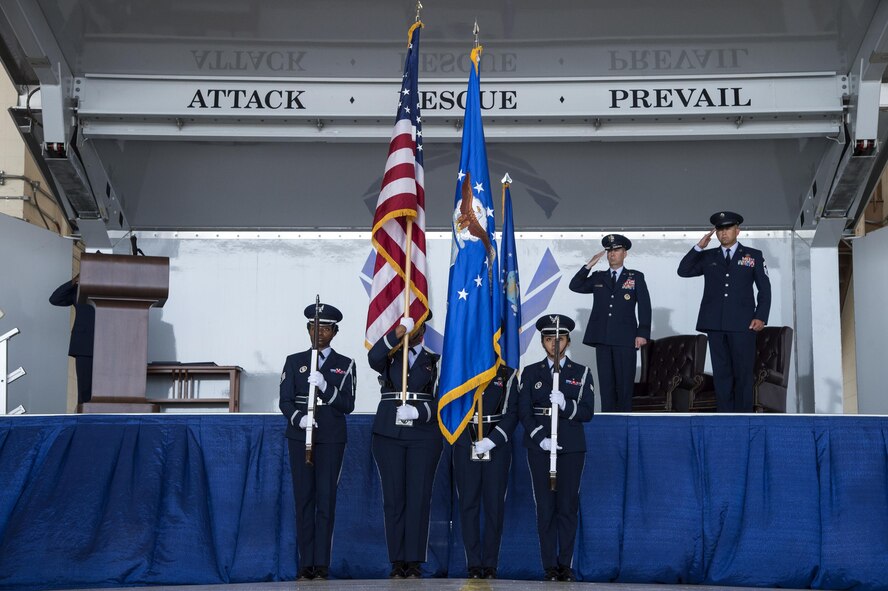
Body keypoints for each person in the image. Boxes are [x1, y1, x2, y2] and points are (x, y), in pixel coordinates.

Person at [278, 302, 356, 581]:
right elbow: (284, 401)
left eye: (325, 328)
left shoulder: (344, 364)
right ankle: (305, 564)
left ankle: (321, 564)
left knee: (325, 500)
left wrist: (325, 386)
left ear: (334, 332)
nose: (318, 333)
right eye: (314, 326)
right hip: (300, 437)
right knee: (303, 501)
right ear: (307, 328)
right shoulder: (294, 360)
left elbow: (348, 404)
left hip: (331, 439)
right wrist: (299, 418)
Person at [518, 314, 595, 582]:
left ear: (568, 341)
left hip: (571, 446)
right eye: (549, 339)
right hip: (540, 447)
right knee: (545, 508)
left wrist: (565, 405)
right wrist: (540, 437)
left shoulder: (582, 373)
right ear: (542, 342)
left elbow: (587, 412)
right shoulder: (530, 373)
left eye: (559, 339)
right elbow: (524, 412)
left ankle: (566, 565)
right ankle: (549, 566)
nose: (554, 344)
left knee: (567, 506)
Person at [368, 312, 442, 579]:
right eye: (411, 323)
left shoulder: (435, 361)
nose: (415, 328)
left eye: (419, 323)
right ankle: (397, 560)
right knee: (394, 499)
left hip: (424, 434)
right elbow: (372, 358)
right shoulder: (389, 356)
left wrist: (420, 413)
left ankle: (414, 560)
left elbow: (446, 399)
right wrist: (396, 334)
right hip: (389, 432)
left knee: (419, 498)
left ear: (424, 328)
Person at [677, 211, 771, 412]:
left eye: (727, 228)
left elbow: (765, 288)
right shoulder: (708, 256)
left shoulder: (753, 256)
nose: (723, 233)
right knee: (722, 373)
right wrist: (698, 247)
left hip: (743, 324)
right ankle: (725, 416)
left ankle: (743, 416)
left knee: (743, 373)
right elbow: (683, 271)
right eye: (719, 229)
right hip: (715, 324)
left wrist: (761, 316)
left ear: (737, 230)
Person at [569, 233, 651, 412]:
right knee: (606, 386)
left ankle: (624, 423)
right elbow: (575, 285)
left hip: (626, 339)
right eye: (609, 251)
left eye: (617, 250)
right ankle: (608, 423)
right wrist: (588, 266)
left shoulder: (635, 277)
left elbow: (645, 306)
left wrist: (642, 333)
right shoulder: (599, 277)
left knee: (624, 386)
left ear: (625, 254)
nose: (612, 254)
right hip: (603, 338)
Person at [452, 363, 519, 580]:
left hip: (495, 443)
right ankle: (473, 563)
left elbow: (512, 413)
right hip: (466, 439)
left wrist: (493, 440)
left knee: (494, 505)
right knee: (468, 504)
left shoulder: (508, 373)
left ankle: (490, 564)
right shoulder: (461, 367)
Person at [49, 275, 95, 405]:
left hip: (111, 345)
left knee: (109, 390)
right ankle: (83, 421)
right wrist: (73, 281)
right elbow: (55, 299)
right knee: (85, 391)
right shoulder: (78, 289)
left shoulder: (113, 287)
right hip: (84, 346)